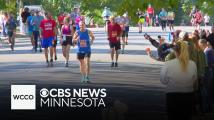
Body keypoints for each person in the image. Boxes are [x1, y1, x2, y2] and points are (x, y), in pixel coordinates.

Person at [160, 40, 197, 120]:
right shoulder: (192, 64)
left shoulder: (168, 64)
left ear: (175, 51)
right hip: (188, 95)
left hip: (172, 95)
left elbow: (163, 80)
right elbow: (194, 80)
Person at [198, 39, 214, 112]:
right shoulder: (208, 50)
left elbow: (208, 64)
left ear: (203, 44)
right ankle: (208, 106)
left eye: (199, 45)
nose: (199, 46)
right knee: (208, 89)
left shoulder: (208, 51)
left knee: (207, 90)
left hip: (207, 72)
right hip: (208, 71)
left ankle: (208, 106)